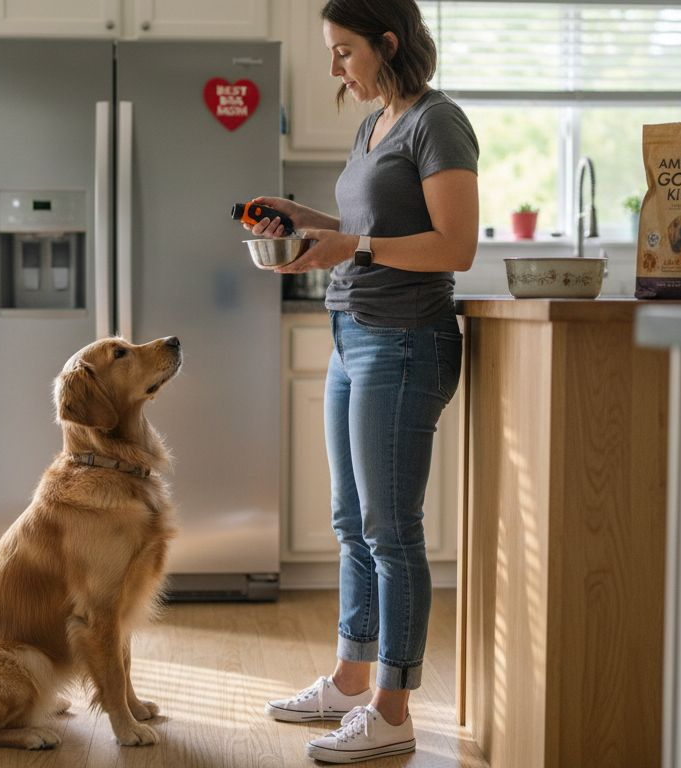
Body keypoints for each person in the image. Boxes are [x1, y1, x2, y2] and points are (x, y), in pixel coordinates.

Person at [243, 0, 478, 763]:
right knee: (351, 524)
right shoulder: (374, 123)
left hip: (405, 342)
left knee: (391, 531)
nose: (333, 66)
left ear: (387, 42)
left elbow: (454, 246)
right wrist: (302, 216)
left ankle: (393, 708)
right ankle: (350, 680)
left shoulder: (437, 123)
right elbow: (365, 229)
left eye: (343, 50)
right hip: (351, 336)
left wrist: (354, 244)